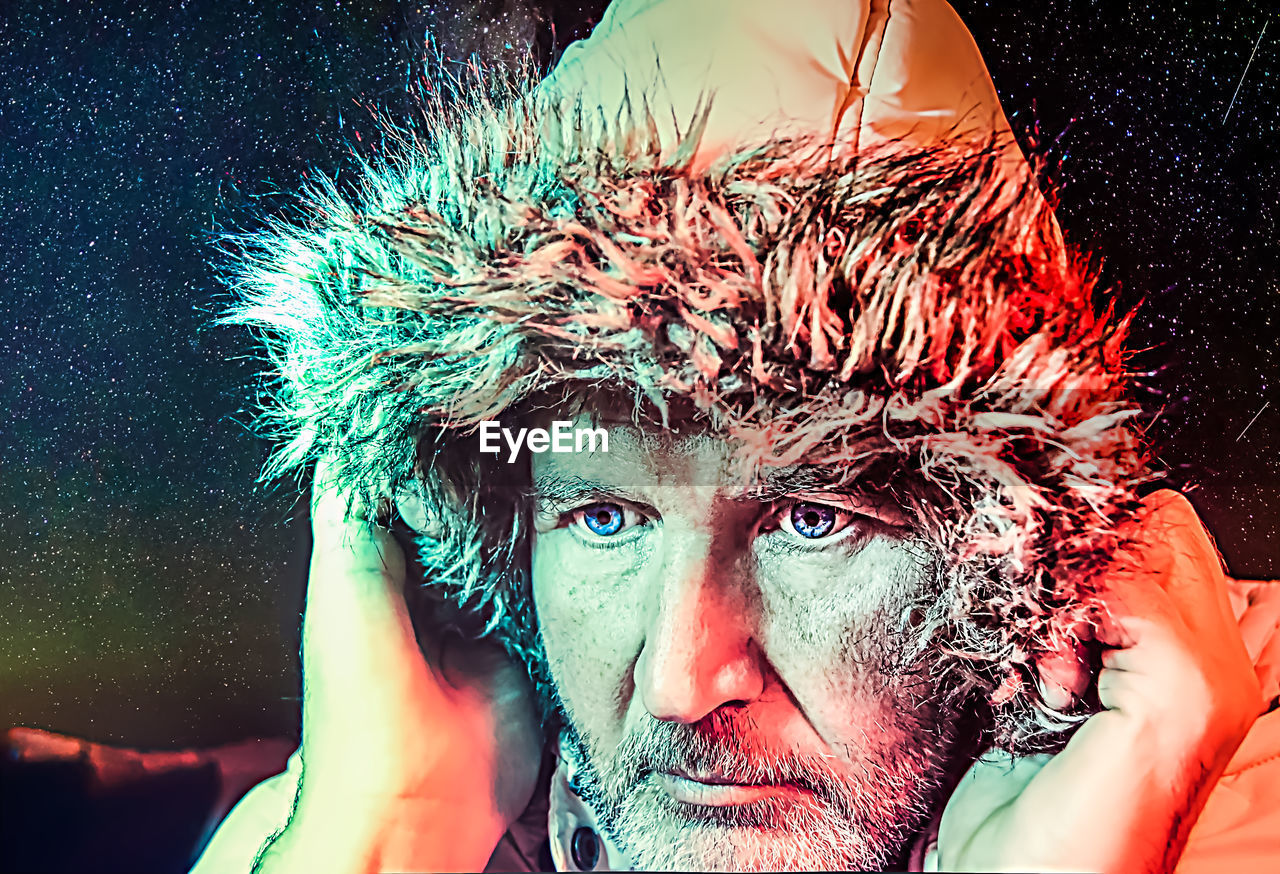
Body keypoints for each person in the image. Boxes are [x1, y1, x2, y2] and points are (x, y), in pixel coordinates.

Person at [193, 0, 1280, 871]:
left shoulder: (1237, 798)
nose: (680, 679)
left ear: (1022, 559)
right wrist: (385, 836)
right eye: (604, 513)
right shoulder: (350, 807)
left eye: (812, 516)